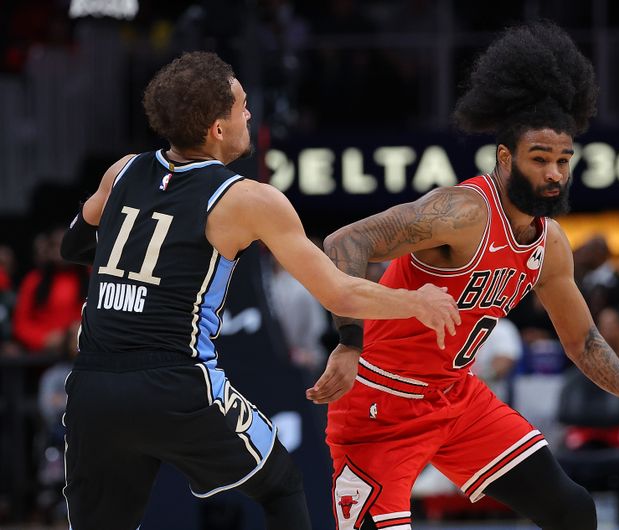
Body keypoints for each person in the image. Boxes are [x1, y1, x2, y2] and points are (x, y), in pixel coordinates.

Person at [307, 22, 619, 530]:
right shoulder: (462, 211)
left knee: (573, 510)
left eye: (564, 160)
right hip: (380, 404)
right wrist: (348, 341)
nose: (555, 174)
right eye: (540, 159)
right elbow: (345, 242)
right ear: (505, 158)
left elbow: (582, 341)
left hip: (455, 398)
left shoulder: (550, 243)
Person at [58, 51, 460, 530]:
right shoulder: (246, 198)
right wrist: (416, 302)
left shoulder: (122, 170)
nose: (249, 114)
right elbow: (337, 293)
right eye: (241, 105)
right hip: (175, 380)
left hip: (93, 385)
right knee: (281, 483)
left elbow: (75, 245)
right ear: (217, 128)